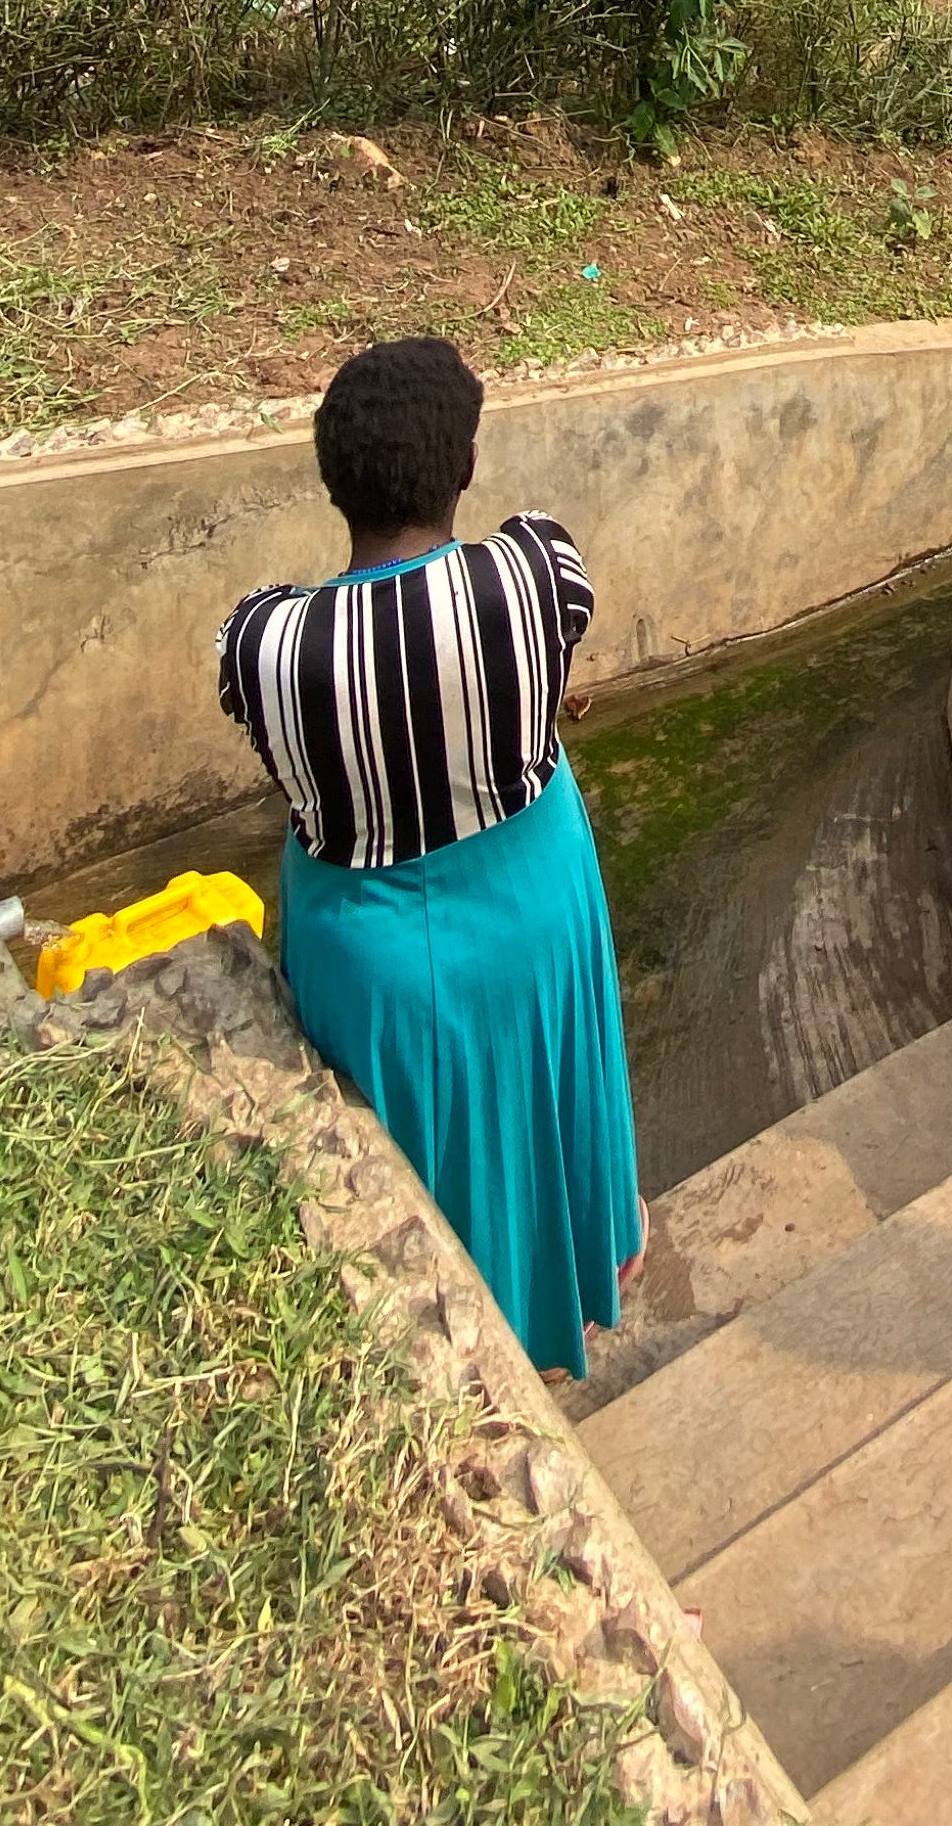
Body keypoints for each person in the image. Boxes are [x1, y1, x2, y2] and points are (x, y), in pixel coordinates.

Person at [216, 335, 644, 1370]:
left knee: (415, 1156)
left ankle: (446, 1347)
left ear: (334, 484)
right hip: (532, 900)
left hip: (369, 949)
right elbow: (561, 630)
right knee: (546, 1092)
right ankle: (577, 1277)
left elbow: (267, 729)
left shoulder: (266, 644)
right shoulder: (532, 570)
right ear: (466, 467)